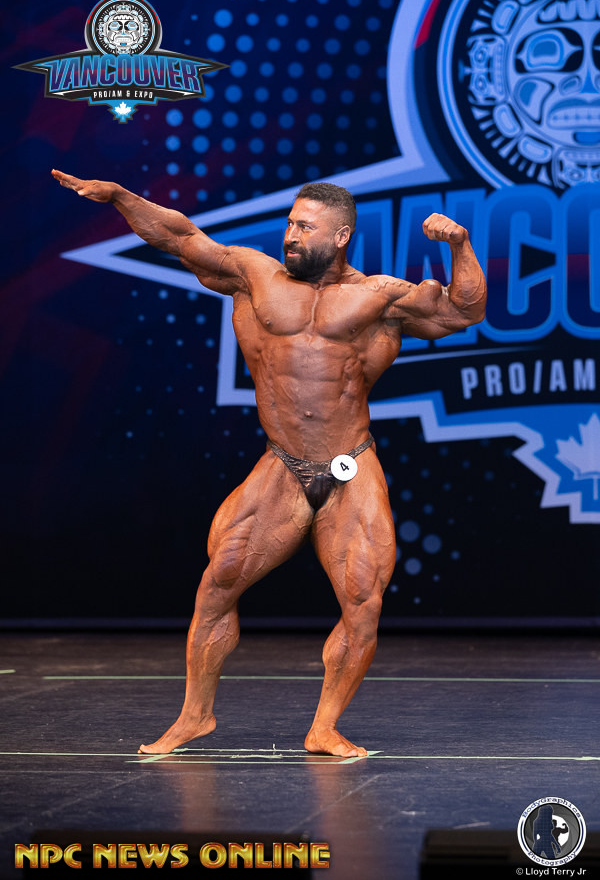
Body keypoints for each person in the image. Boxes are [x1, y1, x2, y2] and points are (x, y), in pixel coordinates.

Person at [52, 169, 487, 757]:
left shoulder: (380, 297)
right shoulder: (253, 276)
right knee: (218, 582)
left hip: (350, 466)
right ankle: (195, 716)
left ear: (340, 236)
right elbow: (179, 237)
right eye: (289, 223)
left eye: (304, 227)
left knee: (363, 604)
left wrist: (459, 243)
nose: (290, 235)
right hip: (281, 464)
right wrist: (121, 197)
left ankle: (324, 726)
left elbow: (464, 310)